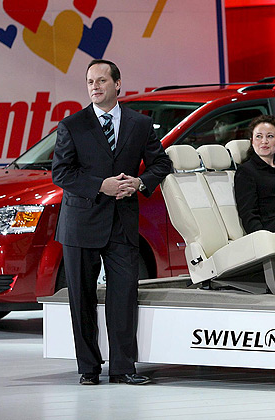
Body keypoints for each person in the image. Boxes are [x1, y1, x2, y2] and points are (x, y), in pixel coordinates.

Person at [52, 59, 173, 386]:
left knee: (124, 297)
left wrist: (140, 182)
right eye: (90, 81)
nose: (95, 86)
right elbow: (61, 173)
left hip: (122, 222)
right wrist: (99, 186)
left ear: (117, 84)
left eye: (101, 80)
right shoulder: (72, 125)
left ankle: (123, 368)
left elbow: (161, 164)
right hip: (81, 223)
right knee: (82, 298)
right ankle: (88, 369)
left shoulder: (140, 124)